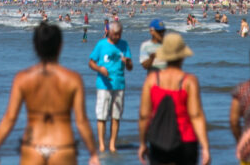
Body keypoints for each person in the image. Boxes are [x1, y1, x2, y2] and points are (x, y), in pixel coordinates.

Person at [0, 23, 100, 165]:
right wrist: (93, 153)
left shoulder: (23, 78)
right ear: (60, 46)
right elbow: (81, 121)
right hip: (63, 146)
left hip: (33, 146)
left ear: (35, 46)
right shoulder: (72, 79)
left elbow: (10, 118)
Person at [137, 33, 209, 165]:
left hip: (159, 140)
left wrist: (142, 143)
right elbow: (196, 115)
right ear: (182, 56)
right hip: (186, 140)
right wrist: (205, 147)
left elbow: (144, 115)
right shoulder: (189, 81)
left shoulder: (152, 80)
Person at [88, 21, 133, 153]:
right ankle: (102, 144)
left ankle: (112, 144)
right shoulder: (101, 44)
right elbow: (91, 62)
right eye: (115, 34)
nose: (117, 37)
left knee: (116, 116)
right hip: (103, 85)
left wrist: (128, 62)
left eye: (119, 34)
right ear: (109, 32)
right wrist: (100, 69)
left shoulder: (124, 45)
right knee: (101, 116)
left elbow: (130, 68)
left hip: (119, 85)